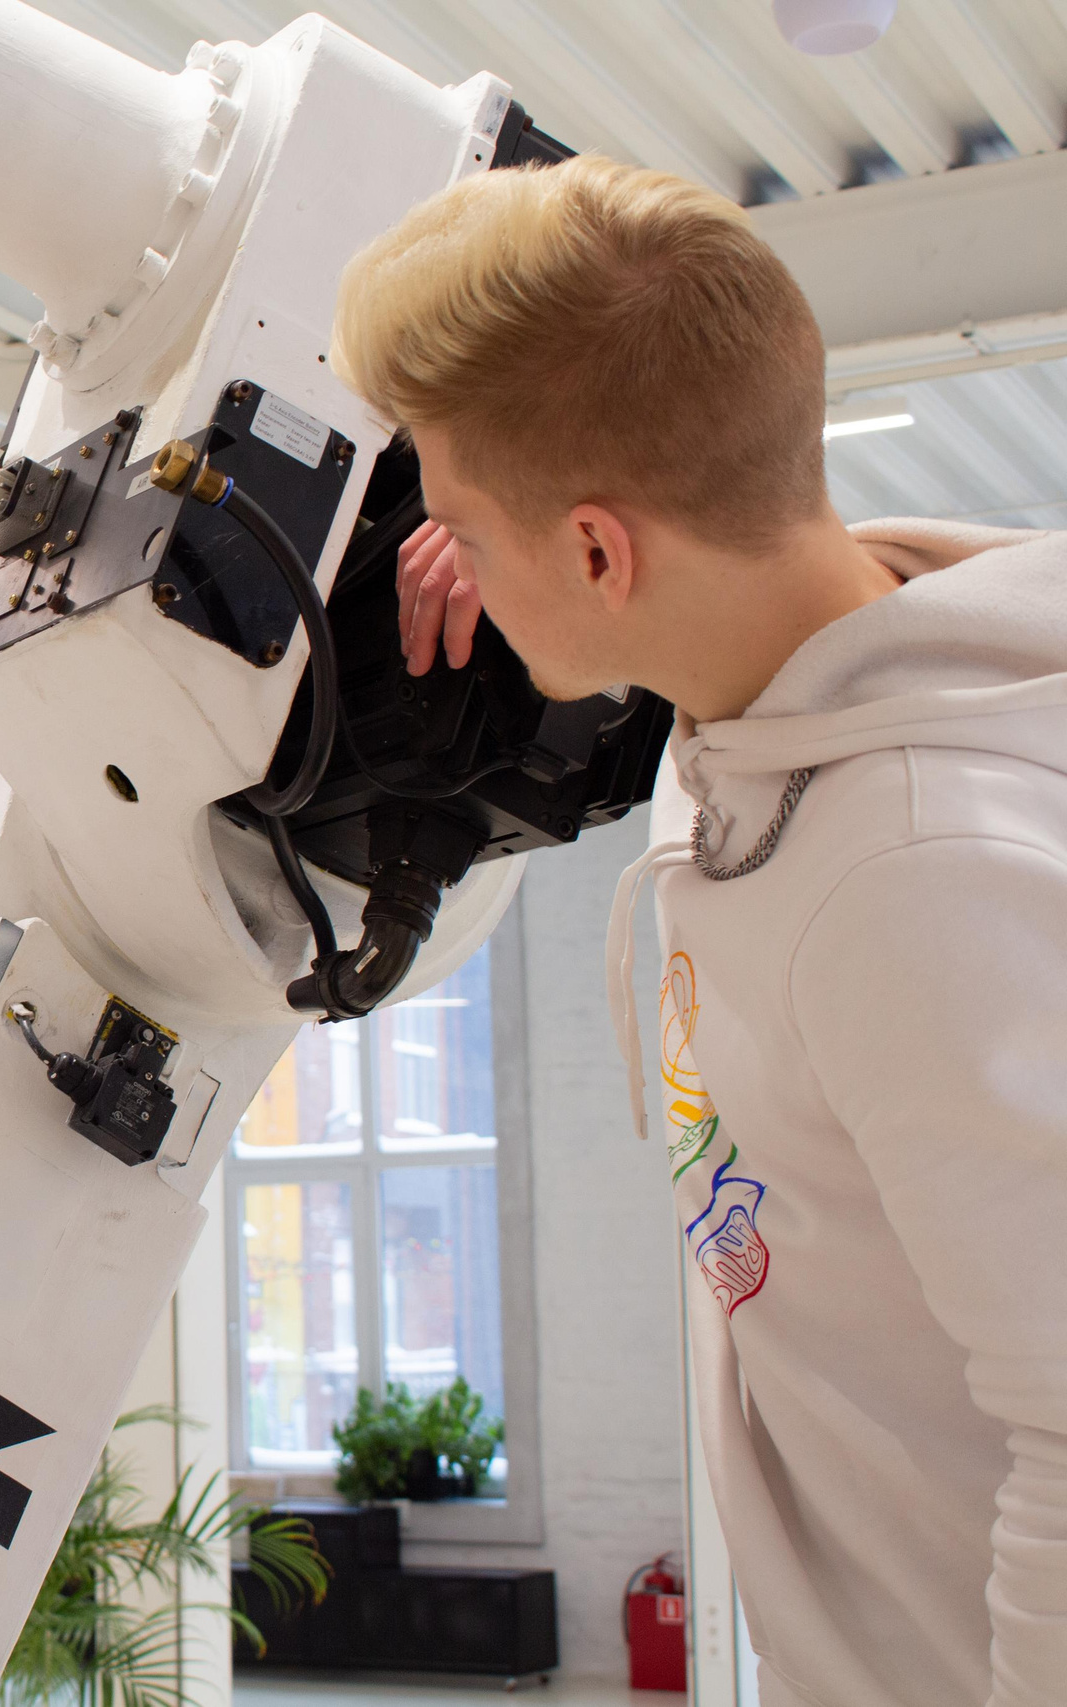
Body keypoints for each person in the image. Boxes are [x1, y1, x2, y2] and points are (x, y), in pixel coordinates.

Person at [329, 154, 1067, 1706]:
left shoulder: (923, 875)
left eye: (461, 512)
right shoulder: (771, 695)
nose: (449, 544)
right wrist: (524, 536)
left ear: (602, 549)